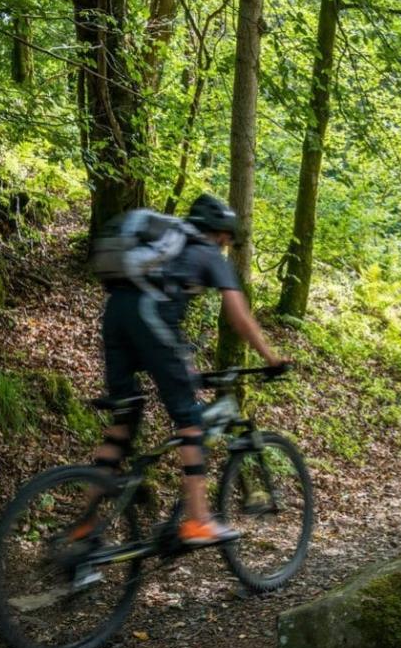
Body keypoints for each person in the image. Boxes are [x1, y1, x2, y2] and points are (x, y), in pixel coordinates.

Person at [84, 194, 288, 545]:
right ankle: (197, 521)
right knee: (190, 422)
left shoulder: (172, 246)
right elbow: (239, 316)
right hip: (149, 317)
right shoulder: (207, 252)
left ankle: (83, 525)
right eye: (227, 236)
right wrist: (272, 358)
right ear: (221, 232)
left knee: (123, 423)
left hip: (115, 314)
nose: (227, 243)